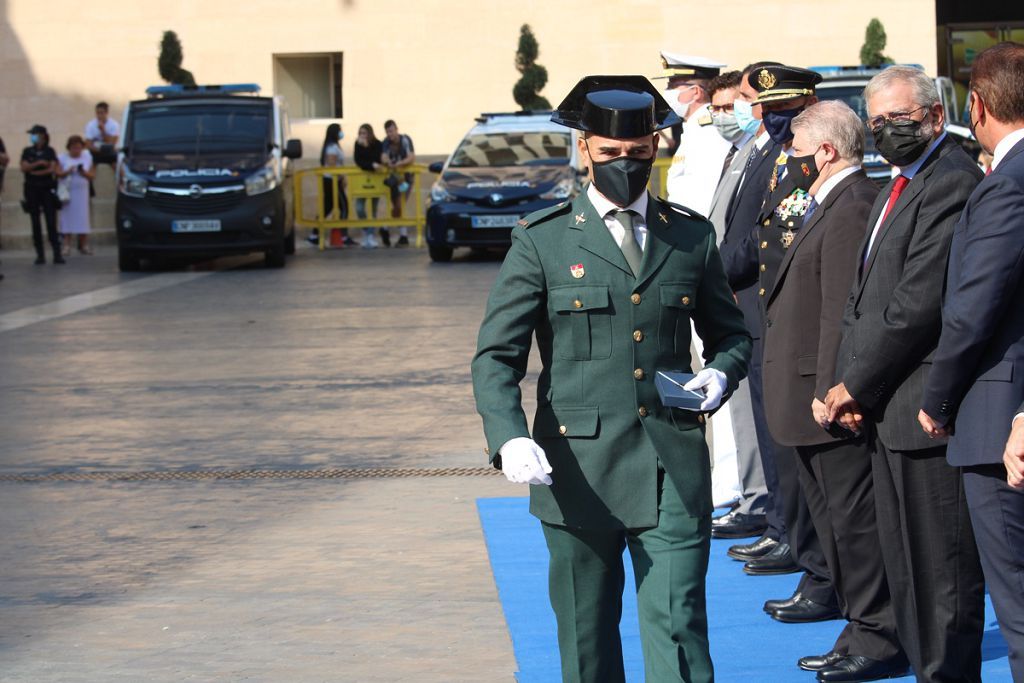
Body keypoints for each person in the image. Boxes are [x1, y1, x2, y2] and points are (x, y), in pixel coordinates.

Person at [472, 75, 751, 683]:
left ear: (656, 148)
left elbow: (732, 333)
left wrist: (722, 375)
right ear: (584, 151)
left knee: (679, 627)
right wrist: (508, 435)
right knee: (586, 634)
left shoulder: (689, 235)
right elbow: (497, 355)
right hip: (576, 467)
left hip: (670, 463)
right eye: (610, 155)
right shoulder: (542, 241)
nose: (626, 165)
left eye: (639, 154)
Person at [824, 65, 986, 682]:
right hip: (886, 408)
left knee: (941, 571)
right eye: (878, 121)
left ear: (934, 117)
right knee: (907, 565)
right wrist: (849, 383)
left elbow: (915, 306)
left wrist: (854, 384)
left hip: (924, 410)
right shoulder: (895, 181)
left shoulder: (950, 181)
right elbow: (862, 295)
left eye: (901, 118)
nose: (889, 130)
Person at [763, 100, 906, 682]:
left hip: (828, 401)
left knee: (855, 528)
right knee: (832, 528)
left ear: (824, 152)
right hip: (805, 397)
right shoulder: (832, 201)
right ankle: (860, 626)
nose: (789, 163)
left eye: (796, 152)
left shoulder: (851, 208)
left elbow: (840, 315)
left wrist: (832, 389)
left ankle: (878, 637)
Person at [916, 41, 1024, 682]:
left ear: (976, 106)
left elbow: (972, 309)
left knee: (1015, 602)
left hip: (999, 420)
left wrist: (939, 397)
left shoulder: (1008, 186)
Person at [725, 67, 840, 632]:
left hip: (782, 321)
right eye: (766, 106)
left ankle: (812, 559)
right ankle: (792, 538)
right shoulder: (773, 151)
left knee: (796, 453)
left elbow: (770, 238)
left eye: (785, 107)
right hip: (759, 313)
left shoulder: (806, 160)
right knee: (778, 448)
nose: (772, 116)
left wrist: (712, 270)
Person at [704, 69, 770, 539]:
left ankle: (765, 506)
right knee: (744, 415)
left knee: (758, 417)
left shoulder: (768, 152)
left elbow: (760, 234)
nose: (728, 115)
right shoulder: (742, 150)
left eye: (738, 103)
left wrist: (715, 271)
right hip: (729, 293)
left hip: (748, 292)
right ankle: (760, 502)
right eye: (722, 107)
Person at [660, 53, 733, 216]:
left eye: (672, 85)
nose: (667, 92)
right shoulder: (694, 126)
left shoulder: (710, 129)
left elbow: (705, 189)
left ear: (695, 92)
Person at [20, 124, 63, 265]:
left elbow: (52, 168)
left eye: (35, 134)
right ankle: (40, 255)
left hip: (47, 189)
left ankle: (57, 253)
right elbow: (23, 167)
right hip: (32, 190)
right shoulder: (27, 151)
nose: (33, 137)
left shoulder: (49, 151)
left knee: (51, 222)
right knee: (35, 222)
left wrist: (35, 171)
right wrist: (39, 163)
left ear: (43, 135)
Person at [310, 123, 353, 247]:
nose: (342, 133)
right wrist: (341, 178)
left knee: (327, 207)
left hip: (331, 180)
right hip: (332, 181)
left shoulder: (333, 146)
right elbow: (332, 164)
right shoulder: (331, 148)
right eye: (340, 131)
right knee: (344, 206)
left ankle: (314, 235)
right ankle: (344, 236)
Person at [55, 135, 95, 257]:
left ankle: (83, 245)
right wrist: (68, 171)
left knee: (83, 218)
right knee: (67, 218)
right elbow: (57, 173)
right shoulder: (62, 158)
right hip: (68, 192)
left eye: (79, 148)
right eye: (74, 148)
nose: (76, 150)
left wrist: (84, 172)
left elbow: (92, 175)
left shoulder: (87, 157)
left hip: (82, 191)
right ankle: (66, 245)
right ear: (69, 148)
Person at [380, 119, 414, 247]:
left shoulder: (405, 140)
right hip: (394, 179)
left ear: (396, 129)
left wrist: (400, 163)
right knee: (398, 205)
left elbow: (411, 156)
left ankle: (385, 228)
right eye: (388, 131)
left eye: (392, 131)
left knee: (399, 205)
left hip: (407, 178)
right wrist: (387, 162)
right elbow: (383, 156)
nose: (390, 134)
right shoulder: (385, 142)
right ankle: (401, 235)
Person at [353, 123, 383, 249]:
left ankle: (371, 235)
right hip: (362, 181)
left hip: (375, 180)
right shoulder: (358, 144)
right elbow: (359, 161)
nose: (362, 136)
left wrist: (367, 148)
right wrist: (371, 165)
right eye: (360, 133)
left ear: (370, 133)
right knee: (359, 207)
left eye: (364, 133)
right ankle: (366, 232)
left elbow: (377, 159)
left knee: (373, 209)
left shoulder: (377, 144)